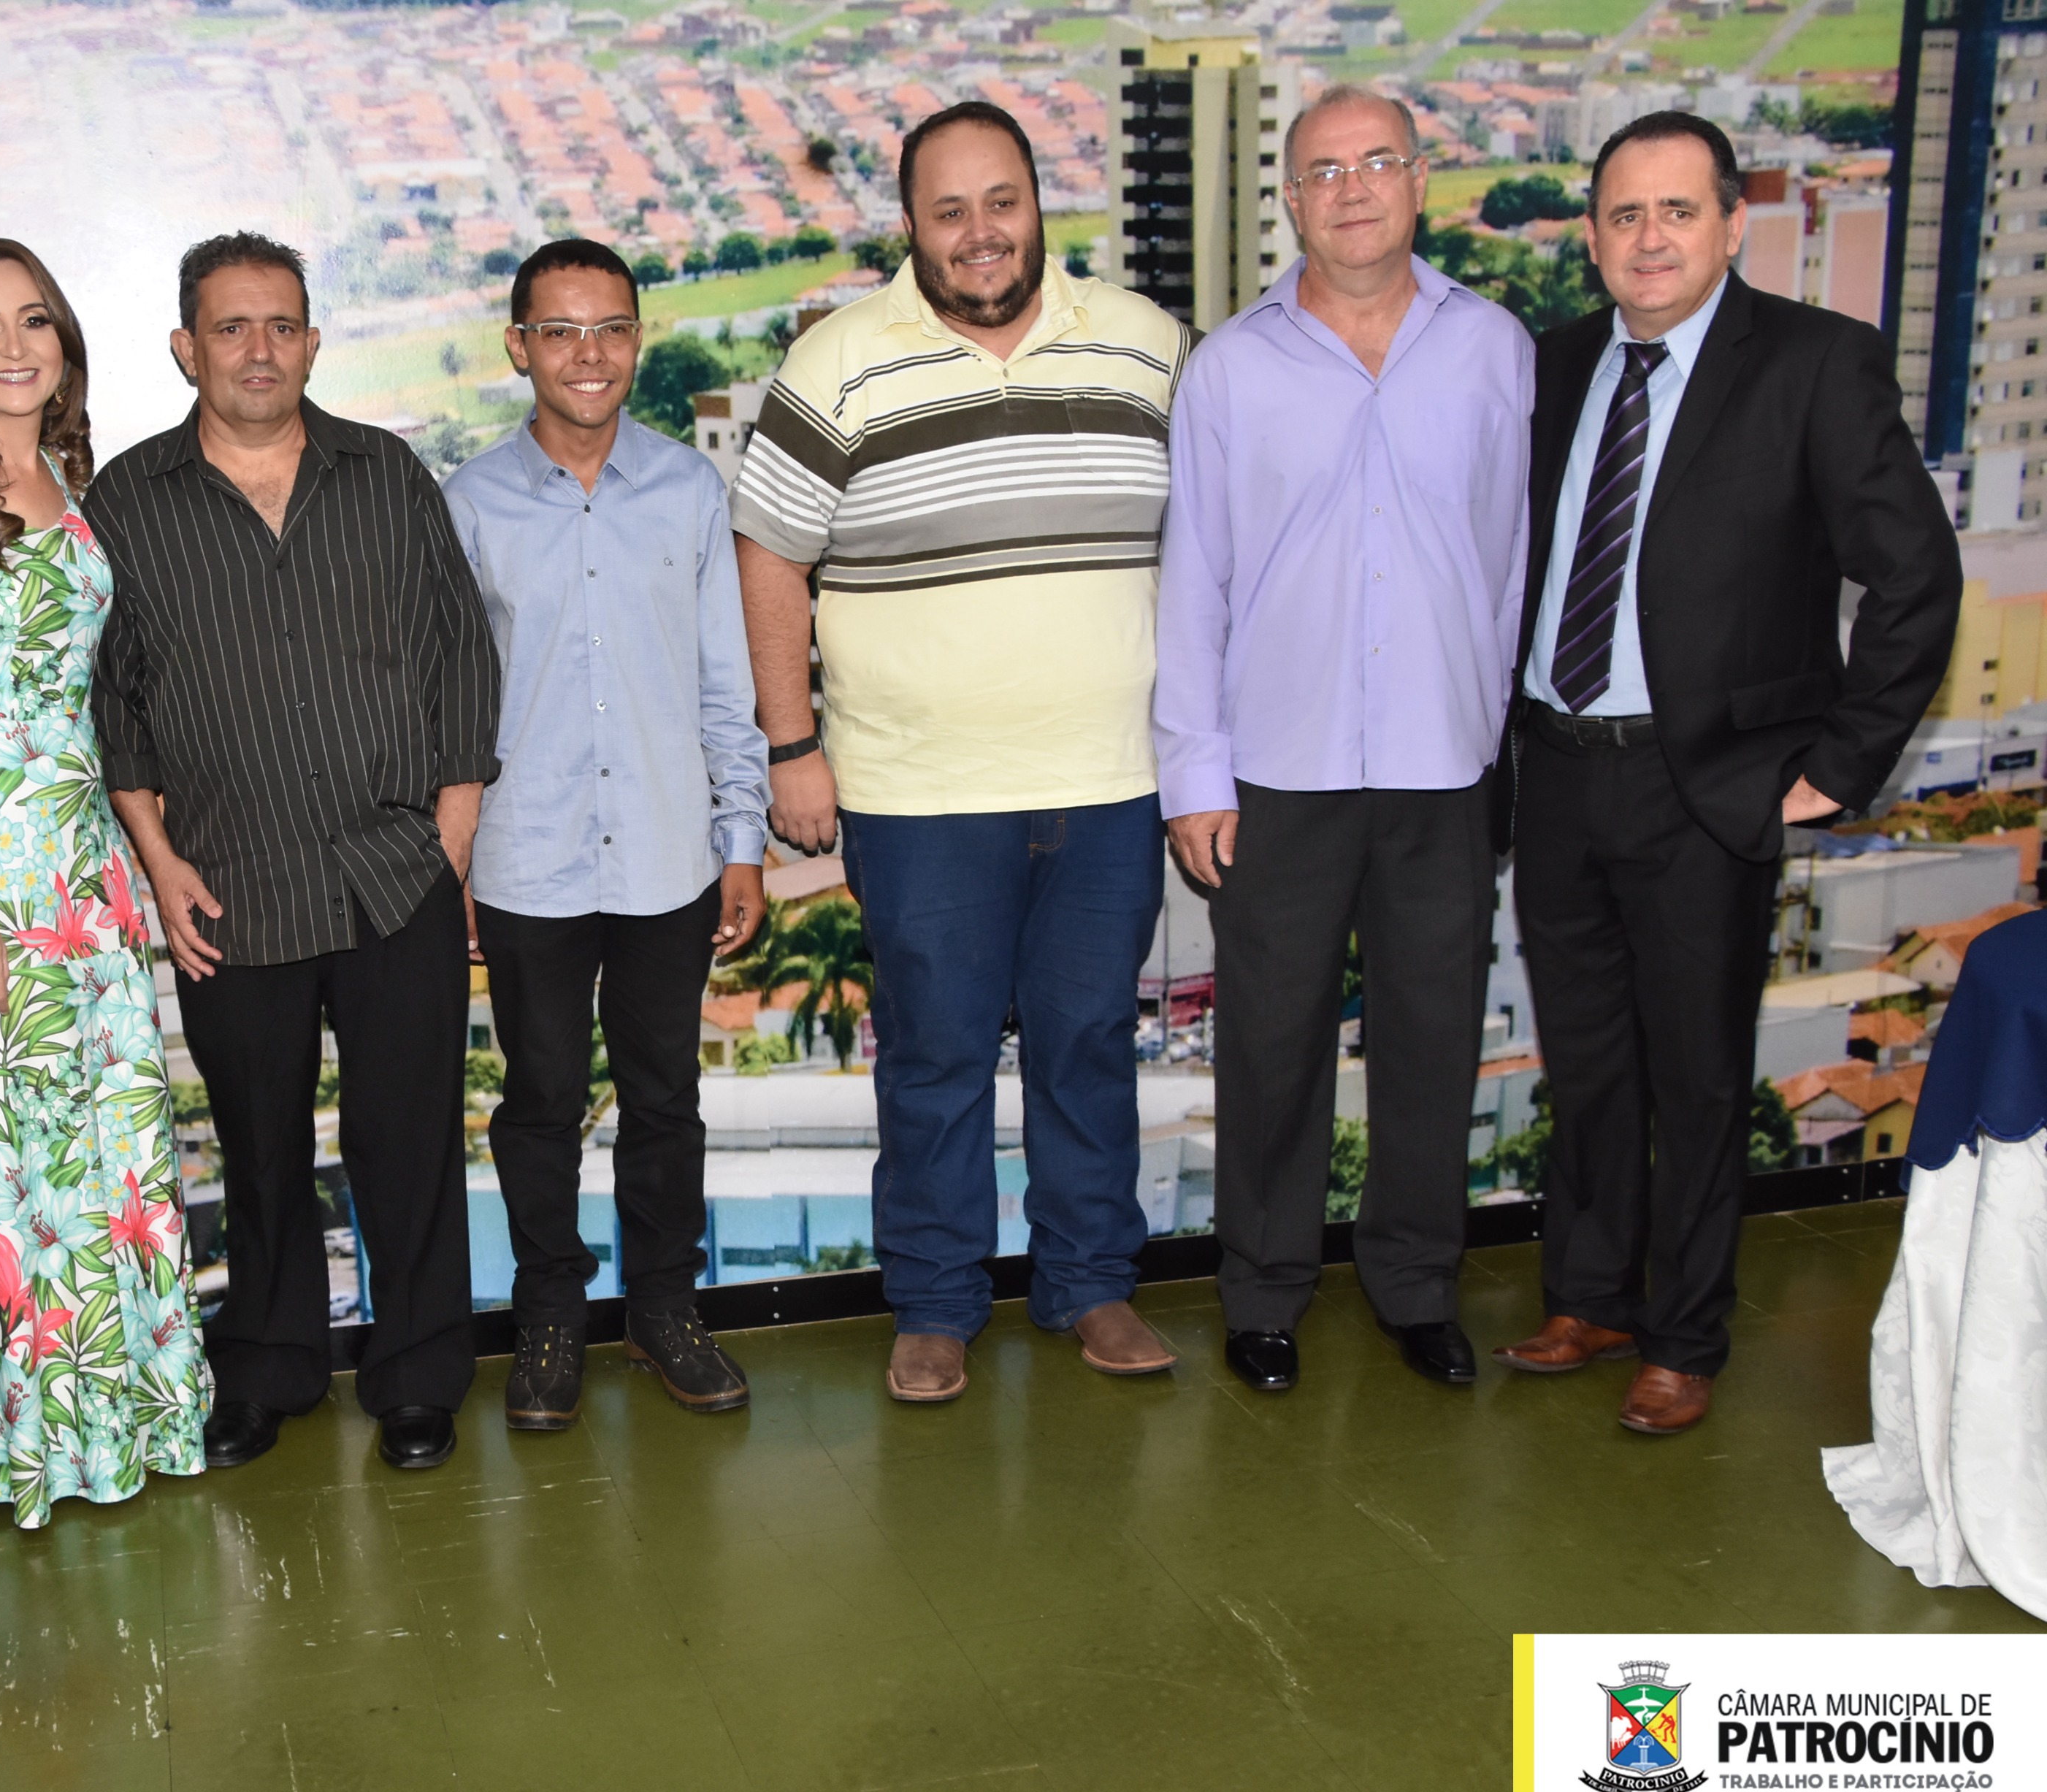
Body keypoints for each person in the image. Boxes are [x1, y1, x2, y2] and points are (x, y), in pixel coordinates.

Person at [1496, 112, 1958, 1433]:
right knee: (1587, 1064)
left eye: (1678, 211)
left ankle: (1685, 1337)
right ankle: (1591, 1297)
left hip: (1709, 789)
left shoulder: (1816, 364)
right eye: (1625, 215)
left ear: (1732, 224)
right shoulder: (1555, 364)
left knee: (1697, 1078)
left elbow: (1917, 578)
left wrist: (1837, 766)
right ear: (1594, 238)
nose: (1650, 238)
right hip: (1558, 768)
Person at [732, 102, 1188, 1404]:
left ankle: (1091, 1283)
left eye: (1002, 203)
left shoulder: (1150, 347)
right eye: (949, 211)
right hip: (918, 793)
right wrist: (791, 743)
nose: (980, 234)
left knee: (1088, 1045)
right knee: (934, 1059)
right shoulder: (837, 362)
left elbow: (1222, 540)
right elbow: (769, 556)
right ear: (910, 226)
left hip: (1110, 780)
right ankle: (935, 1304)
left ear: (1040, 205)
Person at [89, 232, 501, 1473]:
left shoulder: (387, 474)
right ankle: (269, 1367)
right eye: (231, 328)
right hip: (229, 883)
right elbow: (112, 701)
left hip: (394, 872)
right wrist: (158, 859)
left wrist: (453, 829)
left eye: (280, 326)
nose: (258, 350)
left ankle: (417, 1374)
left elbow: (460, 651)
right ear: (186, 348)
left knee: (409, 1139)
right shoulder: (127, 502)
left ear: (314, 343)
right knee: (259, 1147)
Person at [1153, 85, 1534, 1395]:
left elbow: (1509, 562)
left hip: (1444, 765)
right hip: (1281, 767)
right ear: (1292, 201)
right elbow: (1193, 582)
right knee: (1272, 1045)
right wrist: (1195, 773)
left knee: (1433, 1038)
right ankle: (1263, 1293)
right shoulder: (1230, 368)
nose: (1353, 188)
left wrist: (1493, 739)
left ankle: (1417, 1285)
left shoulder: (1494, 349)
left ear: (1421, 180)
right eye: (1325, 170)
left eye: (1378, 162)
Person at [0, 238, 210, 1523]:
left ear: (63, 342)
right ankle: (18, 1450)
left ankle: (116, 1429)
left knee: (106, 1158)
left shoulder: (70, 478)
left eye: (34, 322)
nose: (13, 348)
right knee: (8, 1173)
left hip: (86, 867)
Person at [443, 238, 770, 1431]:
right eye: (562, 332)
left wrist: (742, 839)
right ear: (520, 347)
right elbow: (449, 705)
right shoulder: (469, 503)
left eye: (612, 329)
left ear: (637, 339)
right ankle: (548, 1320)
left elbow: (724, 683)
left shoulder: (688, 489)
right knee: (539, 1107)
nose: (590, 355)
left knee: (665, 1102)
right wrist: (455, 859)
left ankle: (666, 1312)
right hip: (526, 859)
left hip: (667, 856)